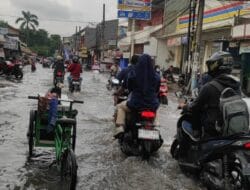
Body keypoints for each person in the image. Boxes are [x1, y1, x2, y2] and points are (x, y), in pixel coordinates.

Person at [179, 51, 240, 137]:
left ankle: (197, 138)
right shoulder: (236, 85)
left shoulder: (209, 87)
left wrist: (185, 106)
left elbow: (195, 106)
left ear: (216, 66)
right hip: (233, 129)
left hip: (214, 130)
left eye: (212, 65)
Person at [114, 54, 160, 138]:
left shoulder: (133, 74)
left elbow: (129, 87)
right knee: (156, 109)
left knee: (120, 107)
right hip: (152, 104)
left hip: (136, 104)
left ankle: (120, 127)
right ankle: (156, 125)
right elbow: (157, 90)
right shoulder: (156, 76)